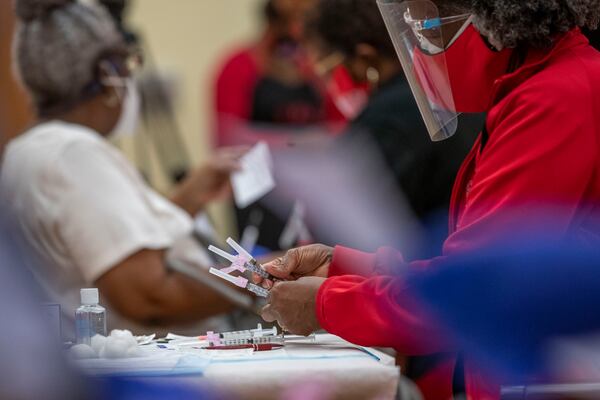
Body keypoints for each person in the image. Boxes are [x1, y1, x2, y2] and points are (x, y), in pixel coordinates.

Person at [255, 0, 600, 399]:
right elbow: (469, 270)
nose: (419, 52)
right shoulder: (538, 87)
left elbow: (476, 292)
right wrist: (344, 266)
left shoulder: (554, 97)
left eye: (425, 29)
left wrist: (326, 305)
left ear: (487, 16)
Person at [1, 0, 248, 337]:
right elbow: (150, 297)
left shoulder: (27, 151)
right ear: (108, 75)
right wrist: (269, 274)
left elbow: (114, 246)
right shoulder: (74, 155)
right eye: (129, 63)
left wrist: (187, 199)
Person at [305, 0, 479, 223]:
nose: (329, 84)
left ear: (364, 57)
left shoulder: (383, 119)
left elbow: (363, 223)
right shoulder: (440, 86)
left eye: (328, 69)